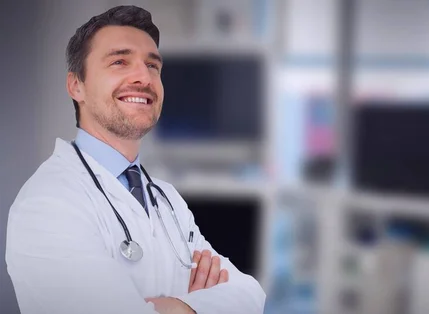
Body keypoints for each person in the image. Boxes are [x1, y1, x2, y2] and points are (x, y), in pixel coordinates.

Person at [5, 5, 265, 314]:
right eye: (119, 61)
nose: (143, 76)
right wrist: (202, 305)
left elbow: (251, 294)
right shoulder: (48, 202)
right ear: (77, 86)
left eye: (153, 66)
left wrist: (180, 307)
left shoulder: (167, 199)